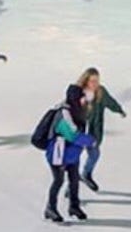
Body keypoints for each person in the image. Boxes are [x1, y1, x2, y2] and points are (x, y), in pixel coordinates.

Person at [43, 85, 92, 223]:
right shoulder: (64, 114)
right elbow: (72, 135)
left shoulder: (78, 112)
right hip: (58, 154)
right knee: (58, 180)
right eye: (82, 97)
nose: (84, 100)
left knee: (74, 180)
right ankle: (50, 208)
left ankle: (74, 207)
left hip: (71, 155)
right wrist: (90, 141)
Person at [79, 67, 127, 192]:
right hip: (79, 133)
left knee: (94, 154)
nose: (95, 84)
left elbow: (110, 102)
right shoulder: (79, 94)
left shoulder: (101, 92)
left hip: (94, 132)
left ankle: (86, 174)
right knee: (74, 159)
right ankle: (71, 188)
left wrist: (119, 110)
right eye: (92, 81)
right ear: (86, 81)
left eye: (97, 81)